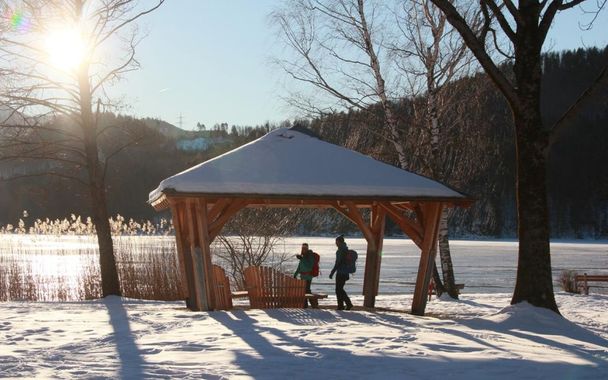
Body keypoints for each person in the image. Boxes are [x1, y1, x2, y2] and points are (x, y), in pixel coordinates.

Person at [329, 235, 353, 310]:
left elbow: (338, 263)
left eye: (336, 241)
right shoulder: (345, 249)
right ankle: (343, 305)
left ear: (339, 242)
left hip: (341, 272)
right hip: (345, 272)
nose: (335, 243)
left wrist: (332, 272)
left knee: (338, 289)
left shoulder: (340, 250)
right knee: (339, 289)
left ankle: (345, 304)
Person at [294, 242, 316, 308]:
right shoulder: (303, 256)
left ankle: (312, 304)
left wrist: (302, 259)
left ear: (307, 248)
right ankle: (305, 305)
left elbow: (309, 266)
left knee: (307, 290)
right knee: (304, 291)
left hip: (308, 276)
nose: (303, 249)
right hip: (303, 276)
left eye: (305, 248)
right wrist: (295, 274)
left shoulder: (310, 255)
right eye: (302, 248)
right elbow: (300, 266)